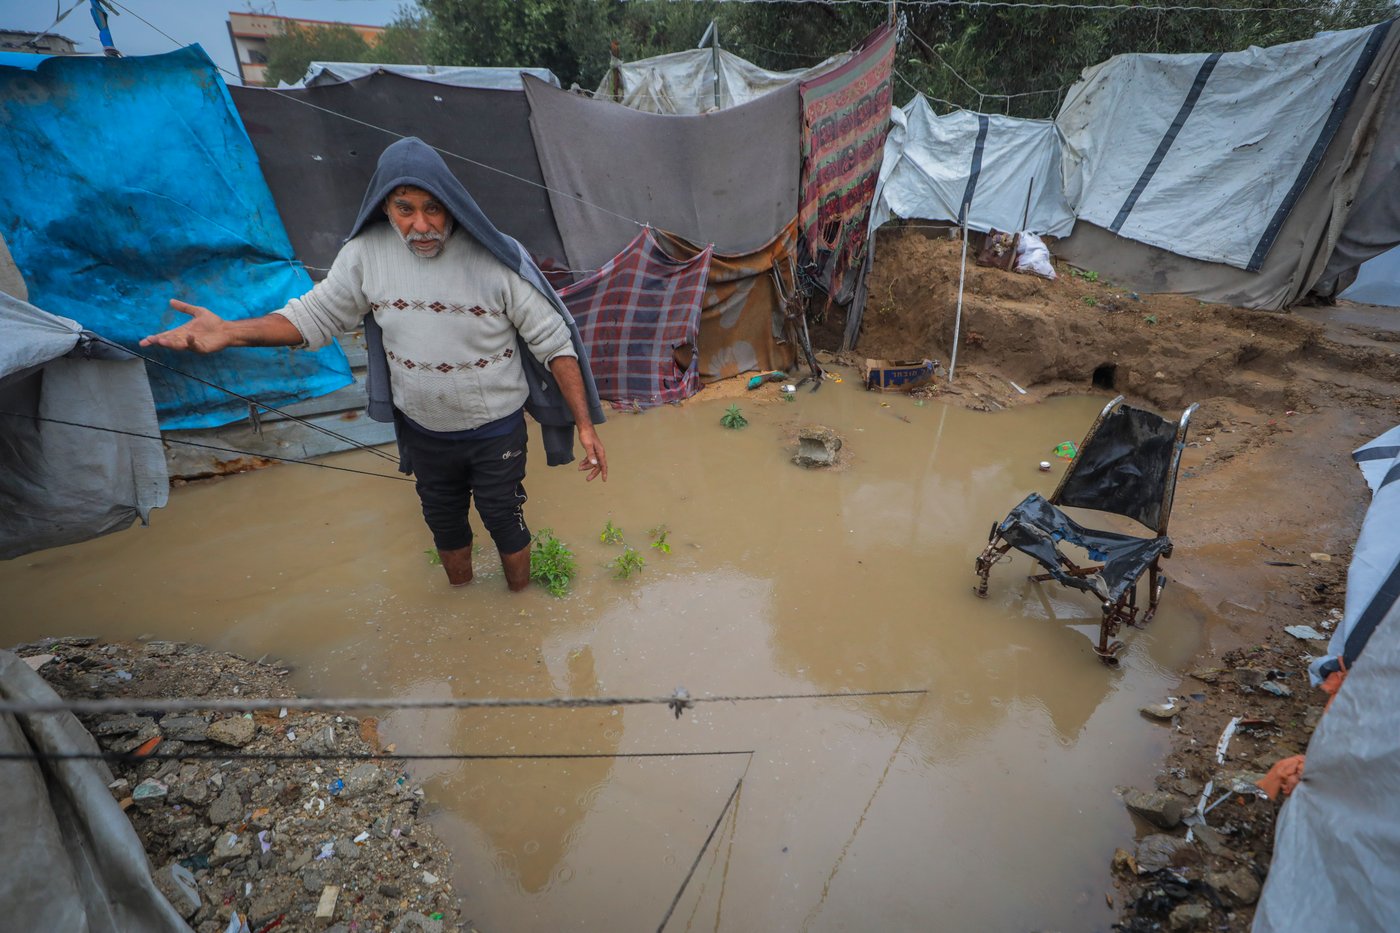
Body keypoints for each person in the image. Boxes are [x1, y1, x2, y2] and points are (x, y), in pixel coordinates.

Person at [141, 137, 607, 592]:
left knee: (503, 516)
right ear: (385, 207)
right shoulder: (365, 256)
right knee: (443, 523)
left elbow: (554, 342)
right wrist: (229, 332)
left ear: (452, 205)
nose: (421, 225)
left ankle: (519, 610)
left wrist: (585, 426)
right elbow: (315, 316)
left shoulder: (496, 257)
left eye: (433, 208)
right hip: (423, 428)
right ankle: (464, 606)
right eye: (406, 209)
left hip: (494, 427)